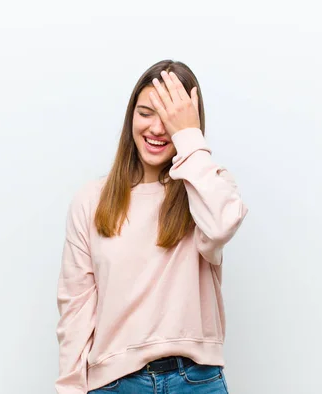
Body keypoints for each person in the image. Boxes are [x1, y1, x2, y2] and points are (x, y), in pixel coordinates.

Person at [55, 59, 249, 394]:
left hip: (196, 380)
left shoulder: (205, 189)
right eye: (146, 112)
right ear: (131, 114)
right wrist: (70, 388)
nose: (157, 129)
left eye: (170, 118)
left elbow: (220, 225)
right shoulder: (91, 200)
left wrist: (188, 137)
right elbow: (75, 309)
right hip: (114, 384)